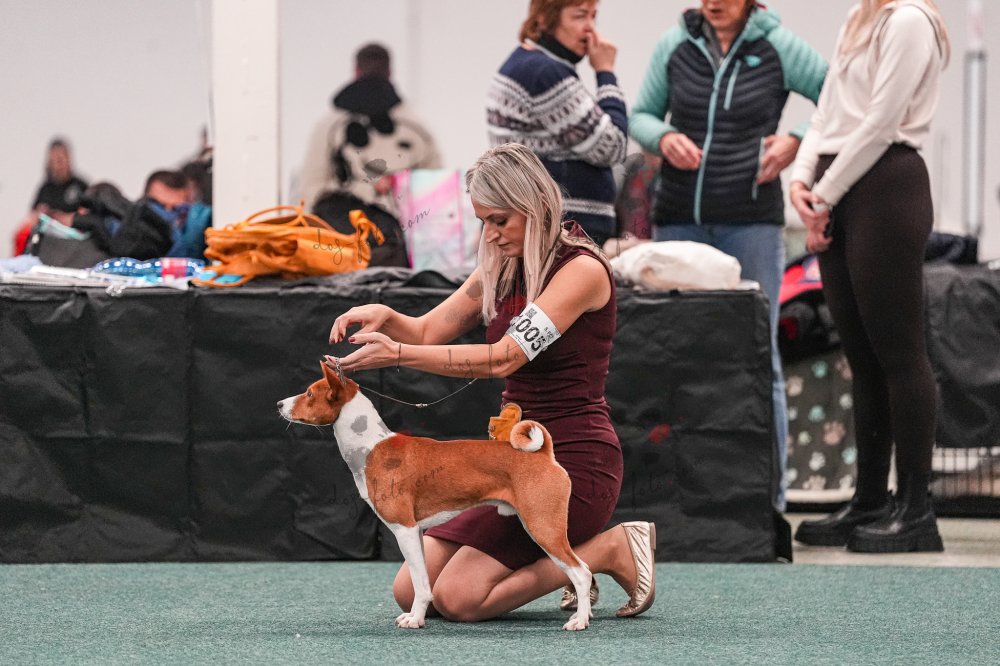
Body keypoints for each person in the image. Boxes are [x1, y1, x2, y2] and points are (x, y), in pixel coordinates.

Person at [327, 143, 655, 623]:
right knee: (409, 591)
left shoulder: (582, 270)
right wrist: (388, 317)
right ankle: (572, 558)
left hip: (573, 460)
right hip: (506, 463)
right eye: (483, 221)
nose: (491, 234)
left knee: (459, 599)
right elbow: (427, 330)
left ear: (536, 205)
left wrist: (397, 353)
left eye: (500, 220)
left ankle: (607, 549)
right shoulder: (502, 264)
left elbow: (505, 358)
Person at [628, 0, 828, 511]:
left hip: (751, 223)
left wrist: (797, 139)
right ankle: (681, 498)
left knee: (760, 356)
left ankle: (769, 502)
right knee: (679, 357)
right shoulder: (676, 44)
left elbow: (838, 98)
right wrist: (664, 136)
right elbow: (641, 114)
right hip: (679, 220)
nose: (713, 3)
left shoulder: (778, 45)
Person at [789, 0, 950, 552]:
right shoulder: (861, 17)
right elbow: (826, 114)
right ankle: (870, 500)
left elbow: (882, 122)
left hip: (886, 186)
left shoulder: (908, 19)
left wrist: (823, 196)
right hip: (839, 187)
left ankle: (917, 510)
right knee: (861, 356)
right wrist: (802, 180)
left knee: (900, 353)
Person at [486, 0, 627, 249]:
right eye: (579, 16)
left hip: (546, 226)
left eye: (593, 16)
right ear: (545, 19)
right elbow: (612, 147)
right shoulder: (544, 72)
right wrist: (606, 72)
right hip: (559, 230)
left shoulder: (526, 63)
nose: (590, 28)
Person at [298, 42, 442, 267]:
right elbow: (436, 192)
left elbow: (310, 190)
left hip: (341, 252)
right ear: (390, 72)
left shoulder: (327, 128)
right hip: (400, 249)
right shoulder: (417, 128)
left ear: (356, 71)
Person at [13, 137, 89, 256]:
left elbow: (88, 215)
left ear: (68, 158)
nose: (58, 165)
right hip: (48, 234)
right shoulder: (46, 188)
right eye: (54, 160)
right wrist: (40, 214)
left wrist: (62, 218)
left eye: (60, 159)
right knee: (22, 233)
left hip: (72, 234)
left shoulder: (80, 185)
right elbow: (33, 214)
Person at [143, 169, 210, 259]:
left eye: (176, 209)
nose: (165, 215)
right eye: (159, 206)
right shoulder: (131, 225)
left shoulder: (199, 223)